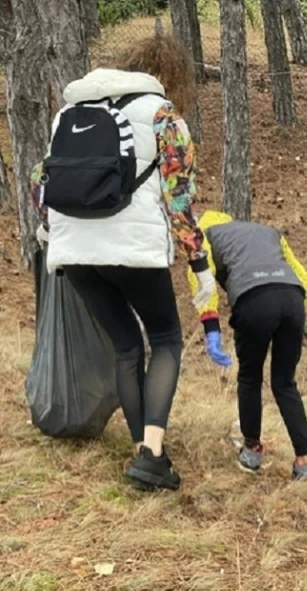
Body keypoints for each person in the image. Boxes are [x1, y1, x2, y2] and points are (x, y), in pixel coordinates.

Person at [30, 35, 216, 492]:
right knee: (167, 340)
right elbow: (179, 201)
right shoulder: (163, 117)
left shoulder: (68, 115)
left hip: (74, 253)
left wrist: (52, 231)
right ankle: (152, 453)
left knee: (127, 347)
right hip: (134, 250)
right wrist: (201, 268)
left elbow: (42, 180)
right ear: (166, 78)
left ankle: (143, 455)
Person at [187, 210, 307, 480]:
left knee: (250, 377)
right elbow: (304, 278)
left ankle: (252, 450)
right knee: (284, 382)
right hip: (292, 299)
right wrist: (288, 312)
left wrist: (211, 328)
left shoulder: (204, 238)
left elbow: (202, 281)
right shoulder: (265, 230)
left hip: (253, 300)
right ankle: (305, 461)